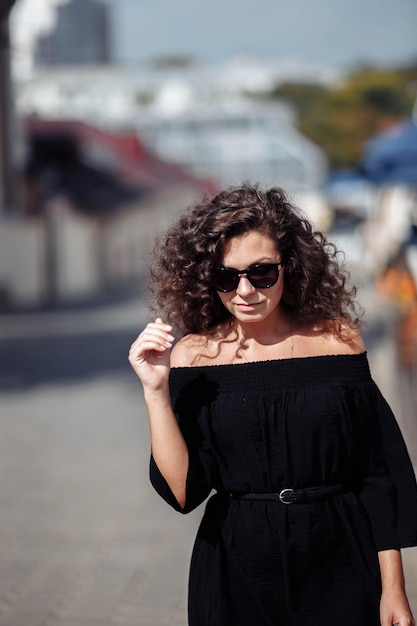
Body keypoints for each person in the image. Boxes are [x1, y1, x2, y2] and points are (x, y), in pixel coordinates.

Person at [128, 185, 417, 626]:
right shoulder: (193, 355)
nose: (244, 290)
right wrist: (155, 391)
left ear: (290, 268)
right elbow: (184, 493)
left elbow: (377, 472)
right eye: (226, 277)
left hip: (339, 556)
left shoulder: (337, 342)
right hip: (236, 569)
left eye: (261, 273)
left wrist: (394, 590)